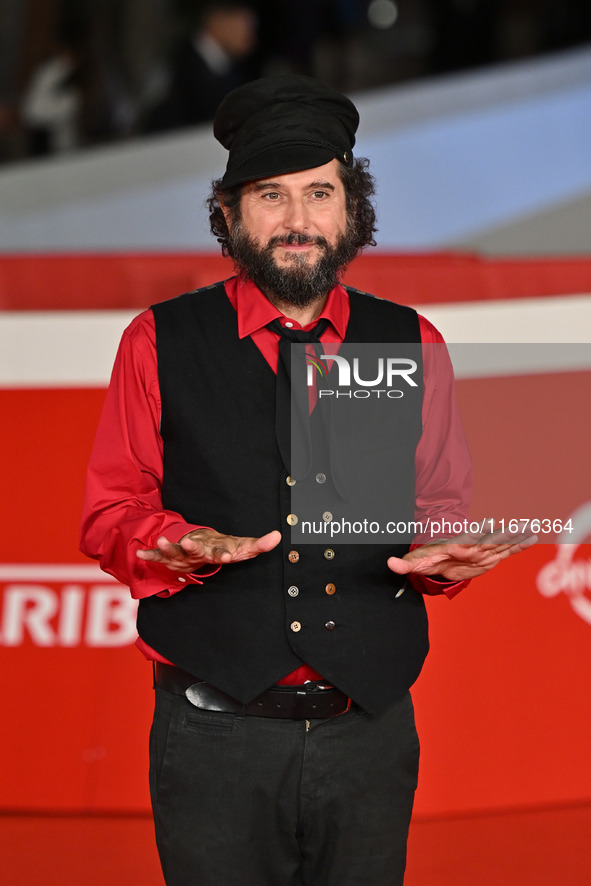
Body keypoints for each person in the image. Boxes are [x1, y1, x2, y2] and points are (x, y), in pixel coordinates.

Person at [80, 74, 535, 886]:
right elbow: (112, 511)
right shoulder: (158, 341)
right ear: (228, 215)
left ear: (351, 209)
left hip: (368, 731)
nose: (296, 222)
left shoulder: (408, 340)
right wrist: (175, 544)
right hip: (212, 735)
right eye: (269, 196)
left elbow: (437, 502)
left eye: (319, 193)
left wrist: (444, 554)